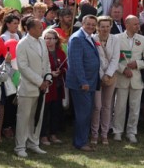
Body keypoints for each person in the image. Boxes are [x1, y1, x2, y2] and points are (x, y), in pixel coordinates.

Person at [15, 18, 52, 158]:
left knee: (37, 117)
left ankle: (33, 143)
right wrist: (39, 81)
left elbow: (46, 62)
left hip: (42, 88)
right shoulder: (22, 44)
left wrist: (47, 78)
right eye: (38, 27)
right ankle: (20, 146)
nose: (41, 30)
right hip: (28, 88)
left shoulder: (42, 41)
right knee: (24, 118)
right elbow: (23, 67)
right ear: (29, 29)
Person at [112, 15, 144, 143]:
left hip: (136, 78)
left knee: (135, 108)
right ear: (127, 24)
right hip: (122, 77)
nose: (137, 26)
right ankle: (117, 131)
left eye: (138, 24)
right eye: (135, 24)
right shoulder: (117, 38)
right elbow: (113, 58)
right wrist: (123, 69)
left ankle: (131, 132)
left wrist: (138, 64)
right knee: (119, 107)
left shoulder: (143, 39)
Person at [66, 15, 101, 152]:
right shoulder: (77, 38)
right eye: (88, 24)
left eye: (93, 24)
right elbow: (76, 63)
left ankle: (82, 140)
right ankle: (80, 142)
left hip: (90, 82)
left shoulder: (89, 37)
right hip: (82, 84)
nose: (91, 27)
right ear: (82, 24)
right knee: (83, 114)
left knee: (86, 113)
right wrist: (83, 81)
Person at [90, 16, 120, 145]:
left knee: (107, 106)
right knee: (97, 106)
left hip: (111, 76)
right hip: (96, 77)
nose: (105, 29)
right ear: (97, 27)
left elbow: (115, 58)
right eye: (102, 26)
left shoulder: (115, 39)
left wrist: (108, 75)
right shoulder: (92, 39)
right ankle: (94, 134)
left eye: (108, 26)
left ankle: (104, 134)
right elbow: (94, 59)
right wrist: (101, 75)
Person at [40, 28, 67, 146]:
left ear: (56, 40)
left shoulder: (61, 52)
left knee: (56, 111)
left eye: (52, 38)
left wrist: (61, 71)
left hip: (58, 86)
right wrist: (50, 73)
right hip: (47, 87)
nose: (50, 41)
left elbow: (65, 67)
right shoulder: (41, 52)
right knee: (45, 112)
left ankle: (53, 134)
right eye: (47, 38)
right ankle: (43, 135)